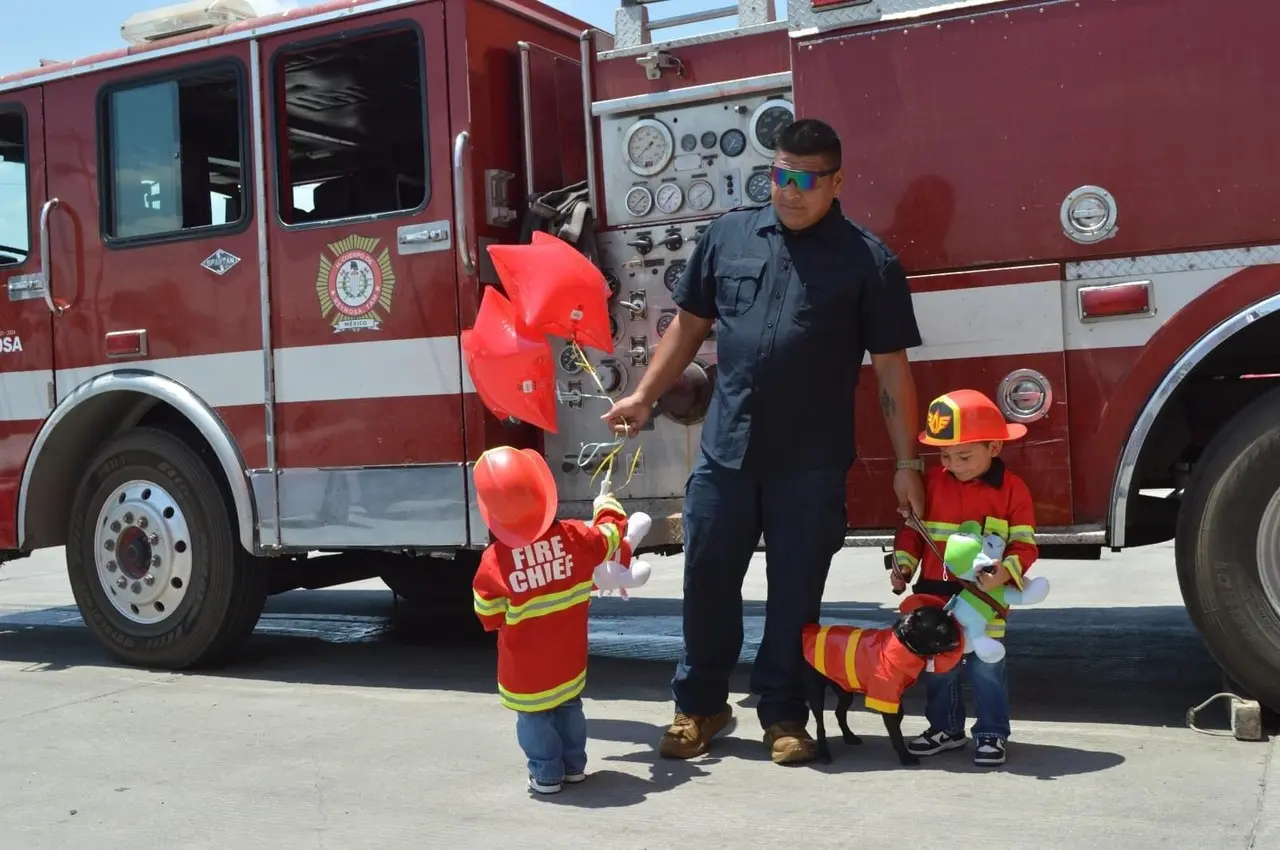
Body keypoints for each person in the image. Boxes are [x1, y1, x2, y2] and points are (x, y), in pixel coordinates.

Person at [601, 118, 927, 766]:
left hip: (809, 461)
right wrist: (642, 395)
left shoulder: (869, 261)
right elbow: (688, 327)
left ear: (837, 181)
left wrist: (908, 463)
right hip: (727, 450)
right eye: (780, 175)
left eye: (806, 180)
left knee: (795, 591)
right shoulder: (728, 236)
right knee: (708, 579)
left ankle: (783, 714)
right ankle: (701, 707)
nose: (790, 191)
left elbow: (892, 368)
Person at [470, 445, 647, 794]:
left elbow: (488, 614)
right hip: (568, 658)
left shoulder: (494, 561)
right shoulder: (573, 537)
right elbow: (610, 536)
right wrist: (606, 505)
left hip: (525, 669)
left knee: (534, 717)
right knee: (569, 708)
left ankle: (547, 774)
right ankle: (574, 767)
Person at [888, 389, 1040, 767]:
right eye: (944, 455)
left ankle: (991, 733)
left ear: (994, 447)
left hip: (984, 601)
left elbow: (1025, 545)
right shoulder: (934, 483)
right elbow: (913, 531)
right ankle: (945, 729)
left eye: (964, 455)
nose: (953, 464)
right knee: (940, 667)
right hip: (934, 597)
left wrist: (1005, 572)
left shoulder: (1013, 490)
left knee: (988, 667)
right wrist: (903, 566)